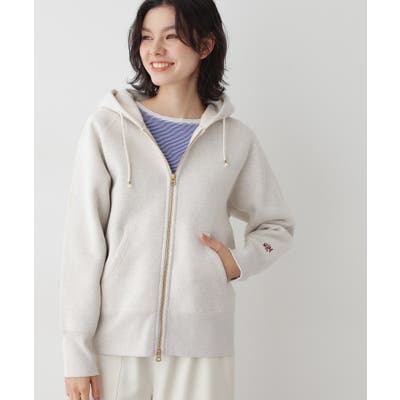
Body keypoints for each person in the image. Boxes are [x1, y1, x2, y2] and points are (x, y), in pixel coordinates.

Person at [60, 1, 295, 399]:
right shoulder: (108, 128)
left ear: (205, 45)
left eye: (171, 36)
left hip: (203, 349)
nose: (155, 49)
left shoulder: (235, 139)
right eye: (146, 37)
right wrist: (77, 355)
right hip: (117, 347)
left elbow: (277, 226)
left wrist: (237, 262)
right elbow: (83, 246)